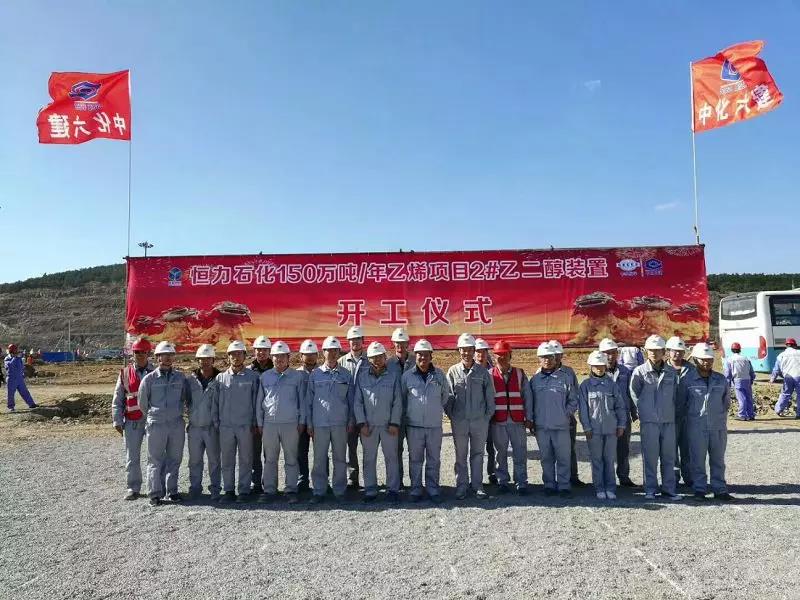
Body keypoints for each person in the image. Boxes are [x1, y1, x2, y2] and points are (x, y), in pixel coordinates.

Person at [678, 343, 734, 501]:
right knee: (697, 460)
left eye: (709, 359)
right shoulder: (687, 380)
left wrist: (718, 416)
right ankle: (699, 489)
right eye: (702, 359)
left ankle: (720, 489)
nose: (706, 362)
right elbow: (681, 403)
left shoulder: (720, 379)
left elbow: (726, 402)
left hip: (718, 426)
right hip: (696, 427)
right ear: (695, 360)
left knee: (718, 460)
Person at [137, 341, 190, 506]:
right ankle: (154, 494)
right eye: (163, 355)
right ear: (157, 357)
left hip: (176, 424)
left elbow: (185, 398)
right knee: (155, 460)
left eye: (170, 355)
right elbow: (142, 404)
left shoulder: (180, 378)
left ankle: (172, 491)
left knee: (175, 458)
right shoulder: (149, 379)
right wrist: (155, 416)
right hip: (156, 424)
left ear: (174, 358)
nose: (167, 358)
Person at [630, 335, 681, 501]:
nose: (654, 353)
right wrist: (644, 411)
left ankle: (669, 489)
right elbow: (634, 394)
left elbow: (676, 395)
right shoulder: (639, 372)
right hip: (649, 421)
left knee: (669, 457)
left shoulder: (671, 372)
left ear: (664, 351)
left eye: (657, 350)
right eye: (651, 350)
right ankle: (650, 489)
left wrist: (672, 412)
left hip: (668, 420)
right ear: (646, 351)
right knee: (650, 457)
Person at [256, 341, 307, 504]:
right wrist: (260, 423)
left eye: (282, 356)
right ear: (272, 358)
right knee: (270, 459)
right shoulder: (265, 377)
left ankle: (291, 489)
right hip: (269, 424)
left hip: (291, 424)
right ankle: (269, 490)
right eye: (276, 356)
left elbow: (302, 401)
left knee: (291, 458)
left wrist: (302, 421)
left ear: (288, 357)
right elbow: (259, 402)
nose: (279, 359)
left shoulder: (297, 377)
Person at [446, 333, 495, 500]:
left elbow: (490, 397)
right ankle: (461, 486)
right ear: (459, 351)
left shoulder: (482, 372)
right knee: (460, 455)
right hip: (459, 421)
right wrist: (453, 416)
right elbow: (448, 397)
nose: (466, 353)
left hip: (479, 421)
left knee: (478, 454)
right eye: (463, 350)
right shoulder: (453, 371)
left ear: (474, 350)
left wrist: (486, 417)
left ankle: (477, 486)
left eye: (469, 349)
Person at [400, 339, 449, 504]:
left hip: (434, 426)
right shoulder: (407, 377)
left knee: (434, 459)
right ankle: (416, 489)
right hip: (414, 426)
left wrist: (433, 410)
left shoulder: (439, 375)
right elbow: (402, 399)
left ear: (431, 356)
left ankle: (433, 489)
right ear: (415, 355)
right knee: (415, 460)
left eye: (426, 354)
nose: (422, 357)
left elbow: (445, 396)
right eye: (419, 354)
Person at [306, 336, 353, 503]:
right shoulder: (315, 375)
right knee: (319, 458)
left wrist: (350, 420)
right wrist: (309, 423)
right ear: (323, 352)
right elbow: (308, 401)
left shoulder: (346, 375)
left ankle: (339, 491)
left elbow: (351, 400)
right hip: (320, 424)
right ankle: (319, 491)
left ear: (339, 352)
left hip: (340, 423)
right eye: (328, 350)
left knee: (340, 458)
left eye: (335, 351)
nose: (332, 354)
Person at [354, 341, 403, 503]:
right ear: (369, 359)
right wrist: (361, 423)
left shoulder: (393, 376)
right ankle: (370, 490)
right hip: (369, 426)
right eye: (373, 357)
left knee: (391, 458)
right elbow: (358, 402)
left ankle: (393, 490)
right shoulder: (362, 378)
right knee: (369, 458)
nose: (377, 360)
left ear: (385, 357)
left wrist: (395, 423)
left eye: (380, 357)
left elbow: (397, 401)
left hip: (388, 425)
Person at [529, 342, 578, 496]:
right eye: (543, 357)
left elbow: (573, 400)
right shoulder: (535, 380)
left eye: (550, 357)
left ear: (555, 358)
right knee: (546, 458)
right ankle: (549, 485)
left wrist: (565, 414)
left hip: (561, 426)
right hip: (542, 426)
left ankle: (564, 486)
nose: (547, 360)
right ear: (539, 359)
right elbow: (530, 402)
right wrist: (531, 420)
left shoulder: (565, 377)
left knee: (563, 457)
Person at [214, 340, 260, 503]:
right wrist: (216, 422)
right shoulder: (220, 378)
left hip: (245, 426)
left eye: (239, 353)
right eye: (232, 354)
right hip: (226, 426)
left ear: (244, 356)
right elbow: (215, 403)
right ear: (228, 357)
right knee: (227, 460)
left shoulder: (253, 377)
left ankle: (244, 490)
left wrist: (255, 422)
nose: (236, 357)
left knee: (246, 459)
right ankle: (228, 490)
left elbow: (256, 401)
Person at [579, 351, 626, 500]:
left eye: (601, 366)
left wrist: (621, 425)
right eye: (596, 366)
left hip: (611, 429)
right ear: (591, 366)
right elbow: (583, 409)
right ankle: (599, 487)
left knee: (609, 460)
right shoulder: (585, 386)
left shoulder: (612, 385)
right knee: (597, 460)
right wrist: (586, 427)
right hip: (594, 430)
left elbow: (620, 406)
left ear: (606, 366)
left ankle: (610, 488)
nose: (599, 368)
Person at [111, 337, 155, 500]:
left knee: (155, 456)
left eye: (143, 351)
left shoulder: (156, 372)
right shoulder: (124, 373)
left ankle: (155, 488)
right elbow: (118, 398)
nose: (140, 354)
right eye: (137, 352)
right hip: (132, 421)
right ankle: (133, 488)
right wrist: (117, 420)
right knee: (132, 456)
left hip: (152, 421)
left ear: (148, 353)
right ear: (133, 353)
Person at [488, 340, 532, 495]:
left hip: (517, 420)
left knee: (520, 452)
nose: (502, 357)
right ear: (494, 356)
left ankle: (521, 482)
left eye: (505, 354)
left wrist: (529, 417)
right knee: (500, 453)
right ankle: (503, 482)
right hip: (498, 421)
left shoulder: (520, 373)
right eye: (498, 354)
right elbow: (486, 399)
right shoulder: (489, 375)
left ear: (510, 355)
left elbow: (527, 397)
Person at [599, 338, 637, 487]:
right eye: (606, 353)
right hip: (605, 416)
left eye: (613, 353)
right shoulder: (596, 371)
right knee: (605, 450)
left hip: (623, 416)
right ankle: (605, 478)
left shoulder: (625, 371)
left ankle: (623, 477)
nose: (610, 356)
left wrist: (633, 412)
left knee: (623, 449)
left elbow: (630, 392)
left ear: (617, 353)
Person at [548, 340, 586, 487]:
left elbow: (575, 394)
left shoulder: (569, 372)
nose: (556, 357)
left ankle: (572, 477)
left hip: (567, 418)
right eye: (553, 354)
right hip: (549, 418)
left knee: (569, 448)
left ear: (562, 355)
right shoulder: (540, 371)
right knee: (550, 450)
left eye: (558, 354)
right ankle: (552, 480)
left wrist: (568, 413)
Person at [186, 344, 221, 501]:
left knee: (214, 461)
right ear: (197, 360)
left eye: (208, 358)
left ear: (213, 360)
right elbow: (185, 400)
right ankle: (195, 488)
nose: (205, 361)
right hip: (195, 427)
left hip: (212, 427)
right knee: (194, 461)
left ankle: (215, 489)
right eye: (202, 359)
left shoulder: (220, 379)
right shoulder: (190, 380)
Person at [338, 325, 368, 488]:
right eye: (352, 340)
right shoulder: (341, 362)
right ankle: (353, 478)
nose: (355, 342)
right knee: (350, 446)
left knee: (369, 448)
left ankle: (370, 479)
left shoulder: (370, 360)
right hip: (348, 412)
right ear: (348, 342)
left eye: (357, 339)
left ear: (363, 341)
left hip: (366, 412)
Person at [666, 336, 696, 487]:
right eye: (674, 351)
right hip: (668, 416)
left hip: (688, 416)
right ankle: (673, 478)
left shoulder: (692, 370)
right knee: (670, 449)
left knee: (688, 448)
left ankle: (689, 477)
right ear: (668, 351)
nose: (677, 353)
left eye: (680, 351)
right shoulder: (662, 369)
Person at [387, 327, 414, 488]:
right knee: (396, 450)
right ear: (393, 344)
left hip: (413, 414)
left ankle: (415, 483)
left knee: (414, 450)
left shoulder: (415, 362)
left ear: (407, 344)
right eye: (397, 343)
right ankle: (398, 483)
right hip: (395, 415)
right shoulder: (388, 364)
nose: (400, 346)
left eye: (403, 343)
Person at [247, 335, 273, 495]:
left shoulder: (276, 369)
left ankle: (268, 483)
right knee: (254, 453)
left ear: (270, 351)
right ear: (254, 351)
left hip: (271, 418)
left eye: (264, 350)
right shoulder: (248, 371)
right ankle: (255, 483)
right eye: (258, 350)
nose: (261, 353)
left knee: (269, 454)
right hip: (253, 418)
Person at [296, 339, 319, 492]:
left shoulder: (322, 373)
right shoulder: (295, 374)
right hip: (300, 420)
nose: (310, 357)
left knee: (321, 453)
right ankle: (302, 480)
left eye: (312, 354)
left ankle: (322, 481)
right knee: (300, 452)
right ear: (301, 356)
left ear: (317, 355)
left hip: (319, 419)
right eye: (306, 354)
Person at [475, 337, 497, 485]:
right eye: (478, 351)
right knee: (476, 448)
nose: (480, 354)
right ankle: (475, 477)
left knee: (491, 446)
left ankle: (492, 473)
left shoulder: (493, 371)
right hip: (475, 415)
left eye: (483, 351)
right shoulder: (470, 370)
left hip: (490, 415)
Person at [724, 342, 756, 421]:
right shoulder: (746, 359)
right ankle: (751, 415)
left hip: (738, 380)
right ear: (740, 350)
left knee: (741, 398)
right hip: (747, 380)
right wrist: (751, 380)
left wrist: (727, 385)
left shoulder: (730, 360)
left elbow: (728, 374)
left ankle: (742, 415)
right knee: (749, 398)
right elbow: (751, 372)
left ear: (732, 350)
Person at [771, 338, 800, 418]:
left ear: (786, 346)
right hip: (799, 376)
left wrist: (772, 379)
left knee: (785, 394)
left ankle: (778, 410)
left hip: (787, 377)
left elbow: (776, 369)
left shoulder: (781, 355)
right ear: (795, 345)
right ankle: (799, 414)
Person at [4, 344, 37, 412]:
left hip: (19, 378)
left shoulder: (18, 358)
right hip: (11, 378)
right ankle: (11, 407)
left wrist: (23, 373)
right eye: (15, 350)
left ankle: (31, 404)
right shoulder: (7, 358)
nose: (17, 351)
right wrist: (14, 358)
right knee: (10, 394)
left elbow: (21, 367)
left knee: (25, 392)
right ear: (11, 350)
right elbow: (10, 366)